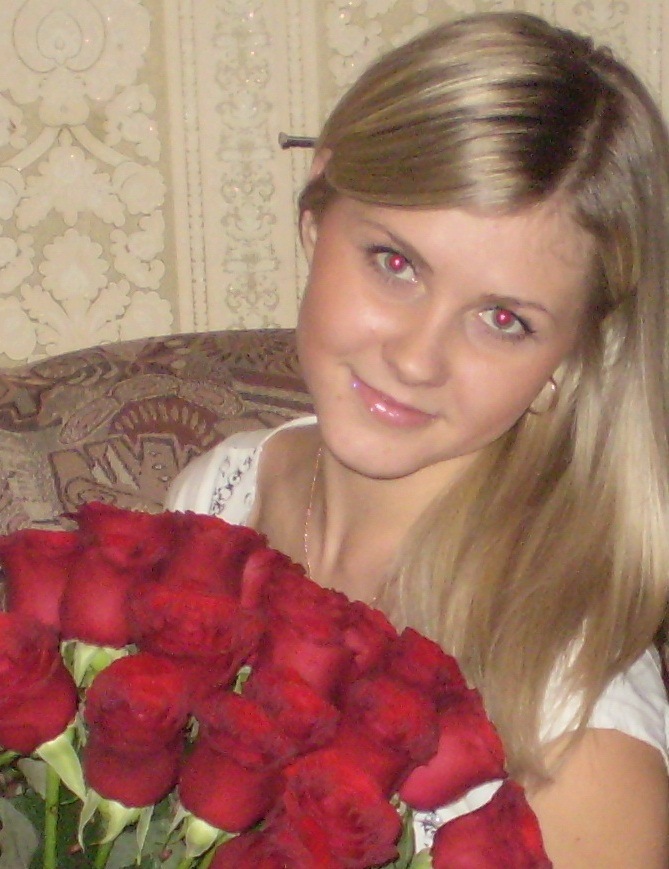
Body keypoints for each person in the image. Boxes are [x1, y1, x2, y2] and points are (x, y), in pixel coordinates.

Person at [166, 11, 669, 866]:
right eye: (395, 263)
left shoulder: (577, 732)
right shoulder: (216, 496)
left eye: (502, 319)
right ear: (317, 208)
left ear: (571, 355)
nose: (415, 358)